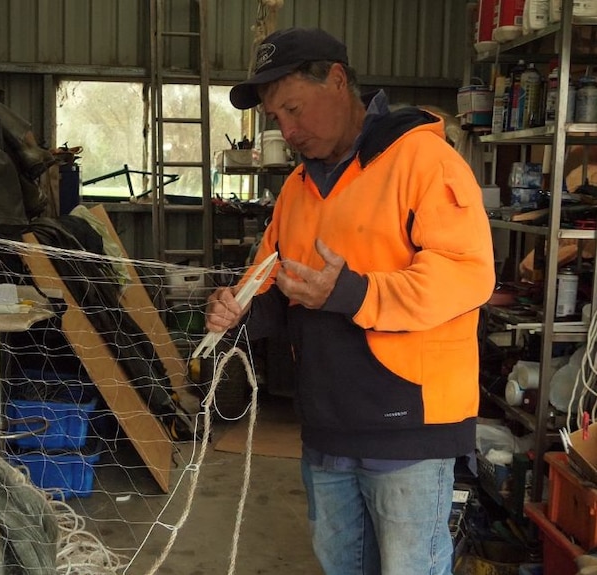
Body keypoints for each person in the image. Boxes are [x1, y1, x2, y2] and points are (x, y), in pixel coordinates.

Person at [205, 27, 496, 575]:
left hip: (408, 426)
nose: (287, 130)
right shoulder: (296, 188)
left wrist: (352, 292)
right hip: (325, 426)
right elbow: (270, 282)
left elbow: (468, 275)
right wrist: (240, 312)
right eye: (276, 119)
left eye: (294, 109)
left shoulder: (421, 161)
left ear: (337, 80)